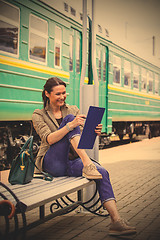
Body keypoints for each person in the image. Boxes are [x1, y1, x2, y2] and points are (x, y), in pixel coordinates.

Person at [32, 77, 136, 236]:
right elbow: (49, 139)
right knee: (69, 121)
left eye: (64, 93)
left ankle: (116, 221)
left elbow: (81, 142)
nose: (62, 96)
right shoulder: (39, 114)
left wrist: (93, 133)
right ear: (47, 94)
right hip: (51, 163)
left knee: (103, 172)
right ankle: (88, 165)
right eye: (58, 94)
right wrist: (70, 125)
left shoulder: (72, 109)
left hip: (72, 160)